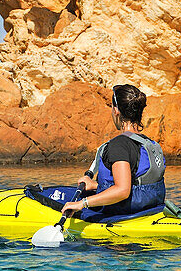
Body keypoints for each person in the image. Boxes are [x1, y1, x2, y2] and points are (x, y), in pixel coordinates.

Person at [61, 84, 166, 217]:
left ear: (116, 110)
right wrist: (94, 185)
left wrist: (82, 203)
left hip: (125, 212)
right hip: (151, 207)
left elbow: (122, 190)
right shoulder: (148, 143)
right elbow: (136, 184)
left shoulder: (119, 145)